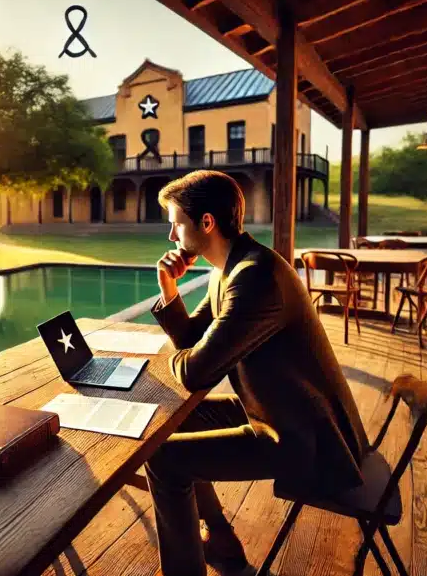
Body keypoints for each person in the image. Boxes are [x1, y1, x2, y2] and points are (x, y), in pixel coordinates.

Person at [147, 170, 369, 576]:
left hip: (310, 441)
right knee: (175, 419)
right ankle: (221, 539)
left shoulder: (255, 278)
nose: (172, 237)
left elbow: (195, 371)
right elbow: (190, 338)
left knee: (162, 458)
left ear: (207, 223)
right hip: (278, 411)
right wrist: (169, 288)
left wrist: (170, 362)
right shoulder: (230, 269)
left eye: (176, 223)